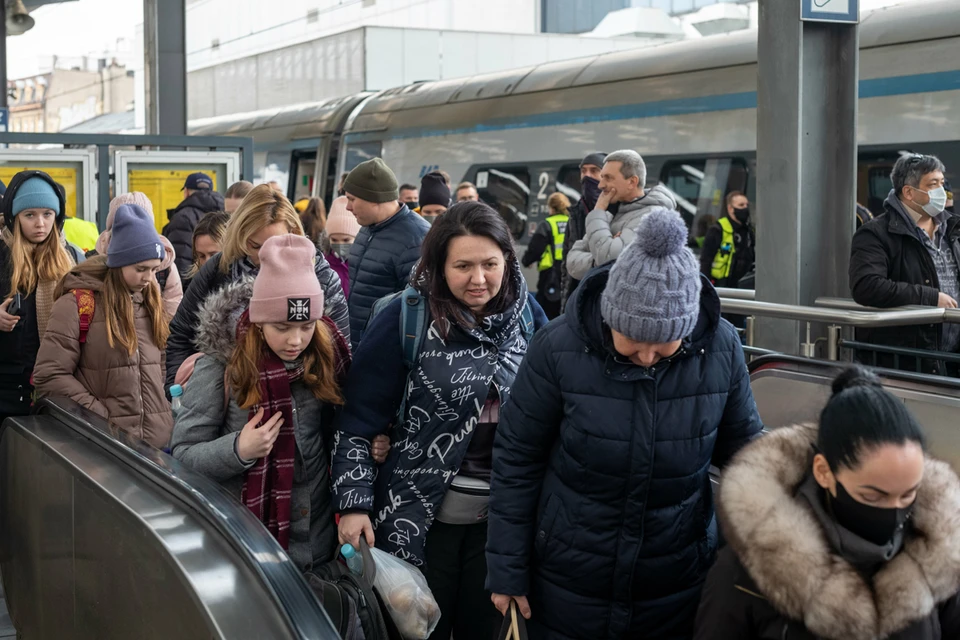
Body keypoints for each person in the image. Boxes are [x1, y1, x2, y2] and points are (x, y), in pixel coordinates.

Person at [486, 207, 763, 639]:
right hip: (566, 580)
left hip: (675, 580)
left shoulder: (722, 349)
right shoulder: (558, 346)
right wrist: (506, 568)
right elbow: (517, 459)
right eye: (633, 342)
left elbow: (747, 453)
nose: (648, 358)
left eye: (664, 346)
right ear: (611, 316)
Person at [333, 201, 549, 640]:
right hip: (418, 520)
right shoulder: (406, 318)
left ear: (507, 260)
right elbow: (356, 421)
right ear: (438, 265)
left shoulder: (529, 318)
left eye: (490, 264)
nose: (479, 279)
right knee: (419, 631)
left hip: (501, 526)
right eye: (463, 265)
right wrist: (353, 504)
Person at [694, 367, 960, 640]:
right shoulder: (748, 570)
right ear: (823, 472)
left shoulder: (938, 556)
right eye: (871, 496)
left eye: (908, 495)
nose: (894, 513)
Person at [171, 234, 350, 573]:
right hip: (244, 544)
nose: (296, 340)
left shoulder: (327, 360)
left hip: (317, 545)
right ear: (258, 320)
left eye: (307, 325)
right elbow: (182, 456)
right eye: (282, 327)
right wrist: (239, 448)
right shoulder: (221, 366)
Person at [165, 184, 350, 389]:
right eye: (256, 246)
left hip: (305, 398)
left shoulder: (322, 276)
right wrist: (179, 395)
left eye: (275, 243)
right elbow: (181, 334)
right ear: (241, 237)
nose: (266, 254)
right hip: (226, 399)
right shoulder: (219, 269)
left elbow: (339, 351)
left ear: (294, 233)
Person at [34, 204, 173, 448]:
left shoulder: (149, 299)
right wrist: (101, 418)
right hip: (103, 445)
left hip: (155, 448)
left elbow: (157, 363)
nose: (148, 278)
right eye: (140, 269)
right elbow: (50, 375)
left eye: (154, 269)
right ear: (118, 263)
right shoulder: (77, 305)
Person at [849, 154, 960, 375]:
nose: (941, 190)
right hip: (910, 364)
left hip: (952, 360)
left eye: (942, 182)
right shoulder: (876, 233)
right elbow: (867, 285)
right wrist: (931, 298)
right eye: (933, 184)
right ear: (909, 192)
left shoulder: (952, 230)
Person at [0, 171, 82, 422]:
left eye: (47, 214)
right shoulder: (2, 256)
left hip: (56, 386)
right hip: (7, 390)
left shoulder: (72, 258)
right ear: (15, 218)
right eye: (29, 215)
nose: (40, 223)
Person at [344, 158, 430, 349]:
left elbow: (419, 311)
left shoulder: (416, 239)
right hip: (357, 345)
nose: (347, 207)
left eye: (352, 199)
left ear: (373, 198)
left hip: (383, 351)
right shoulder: (367, 227)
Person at [565, 149, 677, 283]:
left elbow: (607, 258)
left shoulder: (651, 218)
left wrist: (598, 210)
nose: (601, 185)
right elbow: (571, 261)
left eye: (608, 178)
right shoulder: (612, 211)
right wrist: (598, 261)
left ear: (632, 182)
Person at [95, 193, 183, 319]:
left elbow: (173, 312)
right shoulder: (95, 262)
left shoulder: (166, 266)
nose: (148, 277)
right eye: (141, 269)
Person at [560, 152, 606, 313]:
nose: (587, 176)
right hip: (576, 298)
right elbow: (566, 263)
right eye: (583, 171)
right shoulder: (575, 214)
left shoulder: (617, 211)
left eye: (594, 171)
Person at [163, 172, 226, 276]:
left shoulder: (183, 218)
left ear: (186, 192)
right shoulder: (224, 211)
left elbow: (180, 261)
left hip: (194, 284)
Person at [522, 192, 569, 319]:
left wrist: (527, 260)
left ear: (552, 208)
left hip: (550, 274)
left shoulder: (547, 224)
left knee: (545, 312)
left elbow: (536, 248)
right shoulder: (572, 222)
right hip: (570, 273)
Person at [699, 191, 755, 288]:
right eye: (741, 205)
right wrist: (705, 287)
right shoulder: (717, 230)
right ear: (730, 208)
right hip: (720, 285)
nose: (745, 208)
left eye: (747, 205)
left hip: (743, 284)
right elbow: (705, 261)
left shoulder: (749, 231)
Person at [322, 196, 361, 299]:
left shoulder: (365, 265)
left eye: (346, 240)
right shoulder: (322, 265)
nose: (340, 244)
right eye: (334, 240)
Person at [184, 210, 230, 291]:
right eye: (202, 256)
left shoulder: (245, 282)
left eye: (214, 256)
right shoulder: (191, 285)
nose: (207, 262)